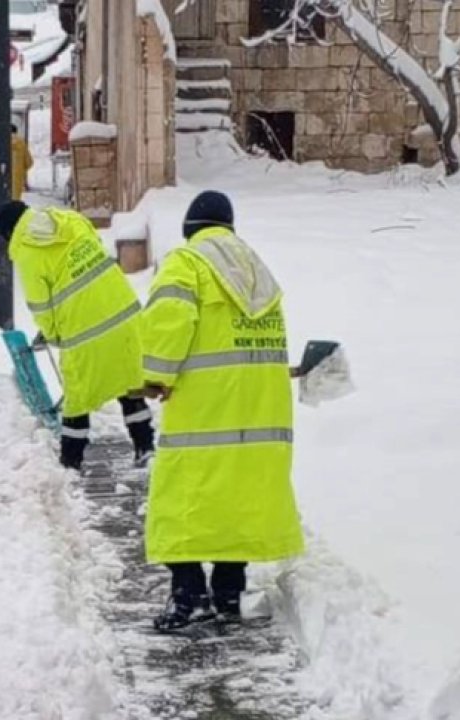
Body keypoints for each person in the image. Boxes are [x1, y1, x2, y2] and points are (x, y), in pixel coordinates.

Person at [139, 190, 305, 630]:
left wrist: (155, 377)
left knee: (182, 500)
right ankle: (229, 591)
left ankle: (189, 595)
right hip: (259, 411)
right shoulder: (256, 269)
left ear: (190, 229)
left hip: (204, 409)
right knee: (237, 498)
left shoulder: (187, 263)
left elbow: (168, 322)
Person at [0, 199, 155, 470]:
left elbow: (41, 305)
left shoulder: (28, 251)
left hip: (85, 331)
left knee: (77, 399)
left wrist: (54, 334)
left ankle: (70, 462)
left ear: (10, 232)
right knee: (130, 386)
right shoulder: (68, 221)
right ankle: (145, 447)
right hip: (124, 314)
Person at [0, 124, 34, 201]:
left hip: (2, 177)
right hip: (17, 180)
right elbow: (29, 162)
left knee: (3, 200)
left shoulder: (1, 142)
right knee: (14, 201)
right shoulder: (21, 143)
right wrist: (22, 170)